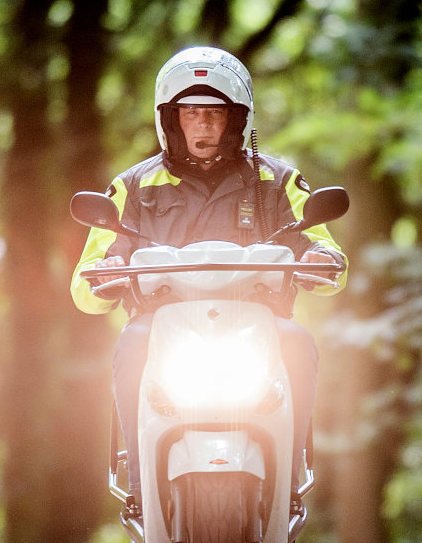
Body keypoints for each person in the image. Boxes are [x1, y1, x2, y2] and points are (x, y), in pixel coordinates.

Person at [70, 46, 347, 515]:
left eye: (214, 114)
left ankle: (291, 471)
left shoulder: (277, 180)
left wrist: (322, 259)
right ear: (170, 119)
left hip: (256, 324)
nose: (202, 125)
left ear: (237, 119)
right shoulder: (133, 187)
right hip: (162, 327)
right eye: (190, 113)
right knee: (132, 342)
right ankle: (141, 483)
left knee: (297, 342)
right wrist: (106, 274)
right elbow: (88, 277)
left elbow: (325, 248)